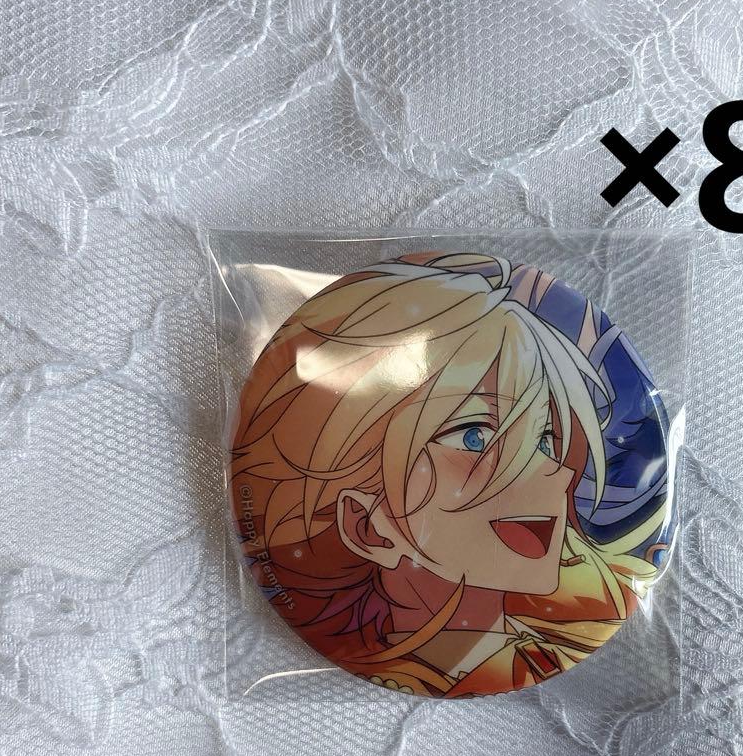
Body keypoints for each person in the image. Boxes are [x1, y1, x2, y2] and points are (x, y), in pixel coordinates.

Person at [230, 252, 669, 697]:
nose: (555, 474)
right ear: (366, 526)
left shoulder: (584, 612)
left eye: (543, 438)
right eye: (475, 437)